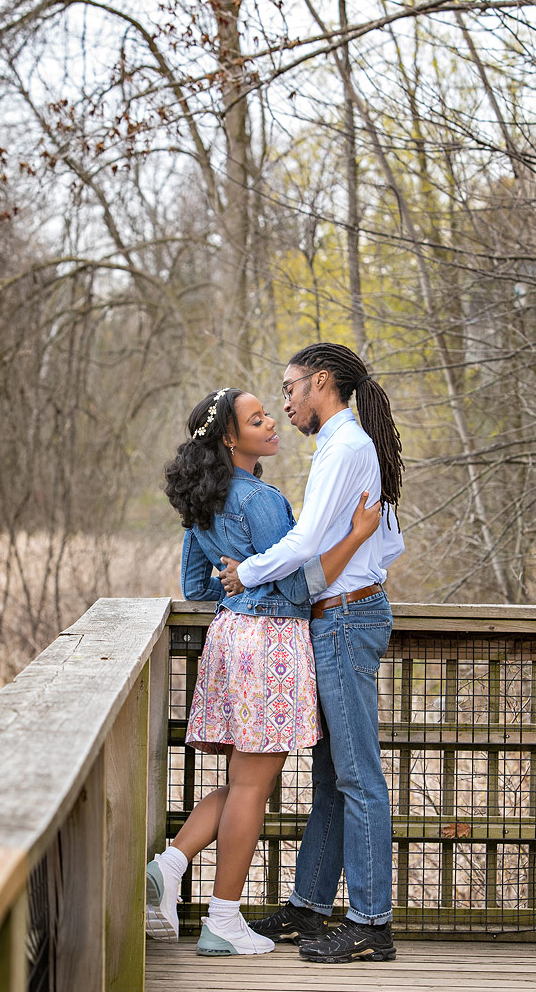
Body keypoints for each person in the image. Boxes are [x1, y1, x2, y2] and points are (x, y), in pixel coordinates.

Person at [147, 385, 382, 956]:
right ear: (231, 437)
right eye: (257, 419)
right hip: (272, 643)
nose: (272, 422)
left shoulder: (203, 504)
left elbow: (198, 588)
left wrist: (241, 576)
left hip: (230, 641)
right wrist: (356, 535)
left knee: (242, 783)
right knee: (253, 786)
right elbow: (299, 584)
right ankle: (222, 919)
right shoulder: (260, 499)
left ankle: (170, 864)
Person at [219, 343, 405, 964]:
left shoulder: (346, 448)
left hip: (347, 620)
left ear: (321, 382)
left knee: (357, 776)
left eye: (292, 387)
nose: (287, 400)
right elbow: (378, 538)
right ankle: (309, 906)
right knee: (331, 774)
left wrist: (247, 572)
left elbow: (303, 540)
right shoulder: (341, 449)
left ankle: (372, 922)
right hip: (337, 617)